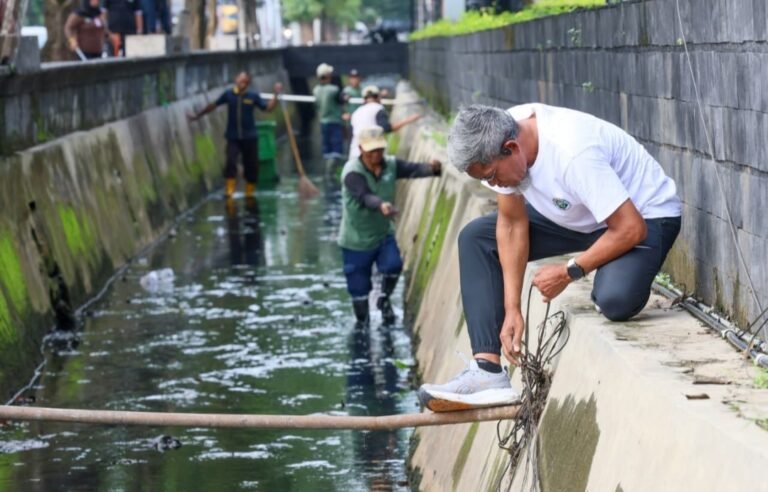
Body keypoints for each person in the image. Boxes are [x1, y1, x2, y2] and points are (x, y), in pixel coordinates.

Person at [418, 103, 682, 411]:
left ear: (511, 147)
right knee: (476, 239)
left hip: (643, 216)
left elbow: (630, 228)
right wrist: (512, 308)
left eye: (493, 176)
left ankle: (610, 263)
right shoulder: (501, 131)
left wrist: (571, 270)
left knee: (614, 300)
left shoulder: (571, 152)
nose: (496, 185)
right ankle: (486, 371)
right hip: (580, 215)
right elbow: (512, 224)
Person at [339, 126, 442, 327]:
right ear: (361, 149)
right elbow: (364, 195)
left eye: (379, 150)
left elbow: (412, 169)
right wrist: (381, 205)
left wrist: (432, 168)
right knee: (359, 290)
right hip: (355, 241)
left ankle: (383, 300)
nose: (376, 155)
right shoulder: (352, 173)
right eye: (371, 151)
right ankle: (363, 324)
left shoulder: (390, 165)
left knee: (393, 265)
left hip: (382, 234)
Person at [187, 72, 283, 197]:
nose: (241, 83)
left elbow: (268, 108)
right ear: (236, 80)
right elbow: (213, 105)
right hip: (233, 137)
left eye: (244, 81)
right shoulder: (229, 95)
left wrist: (275, 94)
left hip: (250, 137)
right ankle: (229, 193)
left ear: (247, 83)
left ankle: (249, 193)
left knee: (252, 167)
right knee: (230, 162)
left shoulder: (253, 96)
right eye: (239, 80)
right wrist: (197, 116)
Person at [348, 85, 422, 161]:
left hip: (355, 153)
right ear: (378, 97)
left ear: (364, 99)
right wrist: (409, 120)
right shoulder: (378, 108)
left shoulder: (356, 113)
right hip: (371, 154)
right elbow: (386, 128)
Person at [313, 63, 347, 159]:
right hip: (335, 121)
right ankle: (335, 169)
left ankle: (327, 170)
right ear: (328, 76)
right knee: (337, 147)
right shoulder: (334, 90)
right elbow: (342, 100)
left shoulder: (316, 90)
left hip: (323, 121)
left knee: (326, 146)